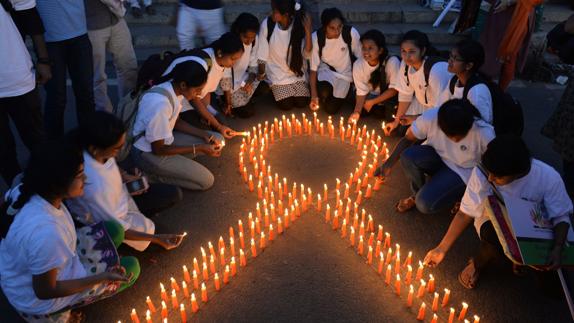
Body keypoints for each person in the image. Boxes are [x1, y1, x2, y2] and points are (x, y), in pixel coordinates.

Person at [0, 141, 139, 321]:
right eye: (80, 175)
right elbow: (46, 290)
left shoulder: (23, 190)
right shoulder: (47, 233)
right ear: (58, 181)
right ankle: (58, 314)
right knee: (131, 267)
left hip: (26, 272)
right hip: (38, 299)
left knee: (114, 229)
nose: (86, 179)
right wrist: (102, 277)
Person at [424, 135, 572, 289]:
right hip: (494, 217)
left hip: (534, 227)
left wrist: (557, 247)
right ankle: (478, 264)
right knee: (495, 242)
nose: (490, 178)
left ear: (518, 173)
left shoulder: (548, 177)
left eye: (498, 176)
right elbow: (464, 213)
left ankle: (519, 258)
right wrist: (441, 249)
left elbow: (561, 216)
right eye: (489, 172)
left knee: (555, 289)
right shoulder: (484, 171)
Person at [66, 111, 185, 252]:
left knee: (172, 194)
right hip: (112, 223)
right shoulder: (94, 187)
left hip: (124, 199)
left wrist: (125, 176)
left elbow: (109, 165)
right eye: (117, 148)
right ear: (95, 149)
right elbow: (118, 228)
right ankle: (119, 248)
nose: (121, 149)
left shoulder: (95, 150)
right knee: (160, 238)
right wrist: (157, 239)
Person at [131, 59, 224, 191]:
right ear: (183, 85)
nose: (199, 94)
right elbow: (159, 150)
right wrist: (198, 148)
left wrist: (204, 134)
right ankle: (150, 176)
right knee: (206, 181)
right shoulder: (160, 105)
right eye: (197, 90)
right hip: (148, 153)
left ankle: (176, 164)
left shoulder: (175, 90)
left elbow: (177, 122)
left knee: (217, 140)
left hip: (165, 141)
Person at [395, 99, 495, 214]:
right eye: (450, 134)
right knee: (408, 156)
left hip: (461, 171)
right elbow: (408, 139)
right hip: (438, 157)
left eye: (459, 135)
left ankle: (458, 195)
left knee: (423, 204)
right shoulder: (434, 117)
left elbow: (493, 169)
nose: (454, 139)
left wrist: (471, 199)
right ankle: (417, 194)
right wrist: (387, 165)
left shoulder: (484, 133)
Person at [0, 1, 46, 186]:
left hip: (17, 80)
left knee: (38, 142)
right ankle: (17, 197)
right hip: (17, 79)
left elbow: (30, 16)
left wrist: (43, 60)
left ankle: (50, 193)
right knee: (3, 150)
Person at [36, 0, 95, 138]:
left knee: (86, 93)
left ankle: (89, 144)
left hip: (80, 35)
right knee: (56, 97)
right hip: (50, 40)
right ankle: (54, 147)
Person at [384, 30, 452, 136]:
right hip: (424, 104)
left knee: (417, 134)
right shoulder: (405, 64)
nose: (407, 56)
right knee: (400, 128)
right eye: (403, 51)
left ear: (423, 50)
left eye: (412, 52)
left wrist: (415, 118)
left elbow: (441, 109)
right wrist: (397, 121)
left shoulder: (436, 70)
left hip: (445, 111)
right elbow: (405, 94)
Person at [184, 32, 244, 138]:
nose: (234, 63)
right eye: (233, 59)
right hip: (183, 104)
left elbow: (206, 91)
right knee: (213, 133)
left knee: (223, 123)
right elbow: (193, 98)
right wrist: (217, 125)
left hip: (198, 100)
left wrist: (208, 113)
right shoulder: (204, 63)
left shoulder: (221, 62)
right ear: (220, 53)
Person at [257, 0, 313, 110]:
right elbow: (262, 53)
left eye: (275, 11)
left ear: (286, 15)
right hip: (277, 74)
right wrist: (262, 73)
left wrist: (308, 31)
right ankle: (274, 91)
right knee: (286, 105)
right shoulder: (268, 24)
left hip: (296, 73)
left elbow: (307, 55)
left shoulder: (298, 25)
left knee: (302, 103)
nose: (271, 13)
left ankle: (285, 91)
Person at [86, 0, 138, 112]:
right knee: (97, 76)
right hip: (92, 23)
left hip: (116, 20)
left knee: (128, 67)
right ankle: (105, 116)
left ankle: (127, 110)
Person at [309, 7, 361, 115]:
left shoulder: (350, 33)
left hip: (345, 75)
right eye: (332, 28)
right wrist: (314, 96)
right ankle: (325, 96)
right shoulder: (317, 38)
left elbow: (361, 59)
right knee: (323, 92)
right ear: (324, 27)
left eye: (339, 27)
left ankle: (345, 94)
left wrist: (359, 85)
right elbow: (313, 69)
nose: (337, 31)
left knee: (331, 110)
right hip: (327, 72)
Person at [348, 29, 400, 123]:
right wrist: (357, 112)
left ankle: (376, 107)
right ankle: (373, 108)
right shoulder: (358, 64)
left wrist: (373, 102)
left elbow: (394, 90)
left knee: (382, 112)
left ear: (380, 50)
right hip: (369, 96)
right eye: (364, 48)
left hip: (385, 96)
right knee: (359, 109)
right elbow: (361, 91)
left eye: (370, 48)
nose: (366, 52)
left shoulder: (392, 62)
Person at [439, 39, 493, 124]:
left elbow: (482, 126)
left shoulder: (477, 92)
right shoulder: (454, 80)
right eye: (450, 56)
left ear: (469, 65)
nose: (450, 61)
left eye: (455, 58)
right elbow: (440, 106)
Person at [219, 13, 261, 118]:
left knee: (263, 85)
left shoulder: (254, 41)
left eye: (252, 38)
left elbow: (253, 66)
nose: (249, 41)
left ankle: (242, 100)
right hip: (228, 86)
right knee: (247, 112)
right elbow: (226, 76)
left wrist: (249, 82)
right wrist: (228, 102)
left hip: (242, 79)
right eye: (246, 37)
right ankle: (225, 101)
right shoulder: (231, 44)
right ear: (238, 32)